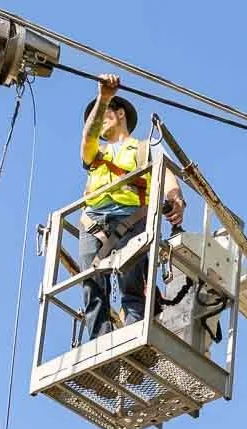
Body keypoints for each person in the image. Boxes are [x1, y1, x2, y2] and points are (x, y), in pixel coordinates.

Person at [78, 74, 184, 341]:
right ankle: (100, 344)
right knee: (92, 286)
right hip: (94, 223)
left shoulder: (143, 148)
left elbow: (167, 176)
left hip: (131, 218)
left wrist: (176, 199)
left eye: (104, 113)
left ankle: (132, 340)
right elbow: (87, 140)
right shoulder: (95, 153)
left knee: (133, 287)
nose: (99, 120)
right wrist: (103, 98)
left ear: (120, 113)